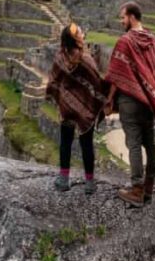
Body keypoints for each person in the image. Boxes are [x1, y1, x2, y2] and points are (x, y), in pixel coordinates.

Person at [106, 1, 155, 207]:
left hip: (129, 102)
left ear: (132, 17)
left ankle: (136, 188)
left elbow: (115, 75)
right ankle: (148, 188)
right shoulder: (153, 41)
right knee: (149, 144)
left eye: (123, 17)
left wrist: (108, 101)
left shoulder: (125, 42)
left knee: (133, 143)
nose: (121, 21)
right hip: (148, 102)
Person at [45, 23, 109, 195]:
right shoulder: (86, 59)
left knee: (65, 142)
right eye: (80, 31)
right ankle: (89, 183)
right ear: (76, 38)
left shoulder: (60, 56)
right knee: (86, 144)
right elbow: (97, 83)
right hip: (85, 109)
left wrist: (60, 97)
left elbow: (53, 80)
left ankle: (64, 179)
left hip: (66, 107)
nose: (82, 33)